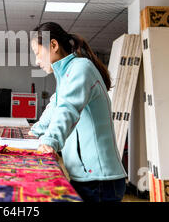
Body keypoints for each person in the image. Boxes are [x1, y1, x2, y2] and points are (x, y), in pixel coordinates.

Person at [29, 22, 127, 202]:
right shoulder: (67, 75)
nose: (36, 61)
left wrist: (50, 141)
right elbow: (54, 108)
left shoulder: (81, 68)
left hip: (100, 181)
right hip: (86, 178)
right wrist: (32, 133)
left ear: (53, 45)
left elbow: (68, 108)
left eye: (37, 53)